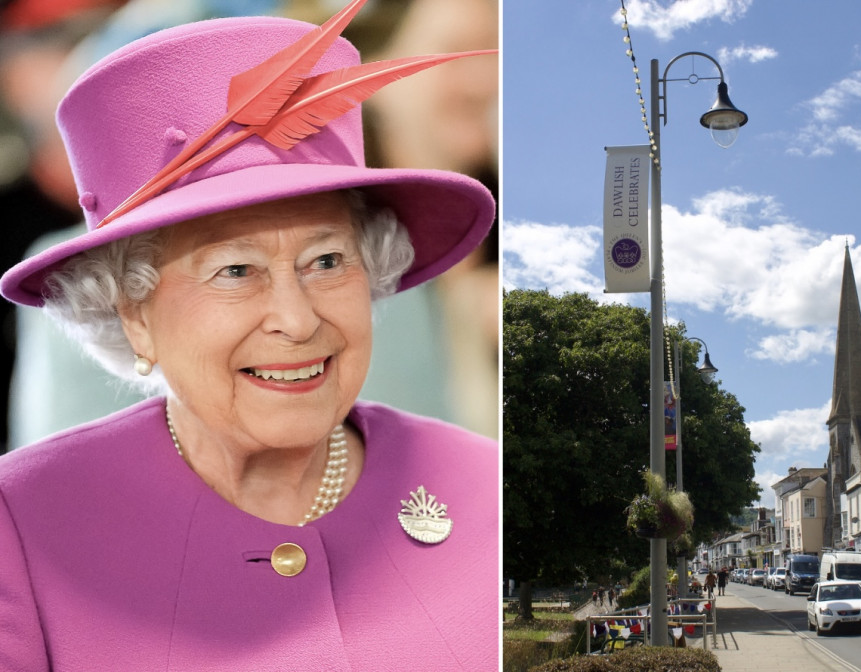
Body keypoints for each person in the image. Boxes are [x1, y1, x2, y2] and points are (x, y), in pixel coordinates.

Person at [0, 5, 497, 670]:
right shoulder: (25, 521)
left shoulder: (486, 486)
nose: (297, 319)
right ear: (132, 314)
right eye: (235, 271)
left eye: (327, 261)